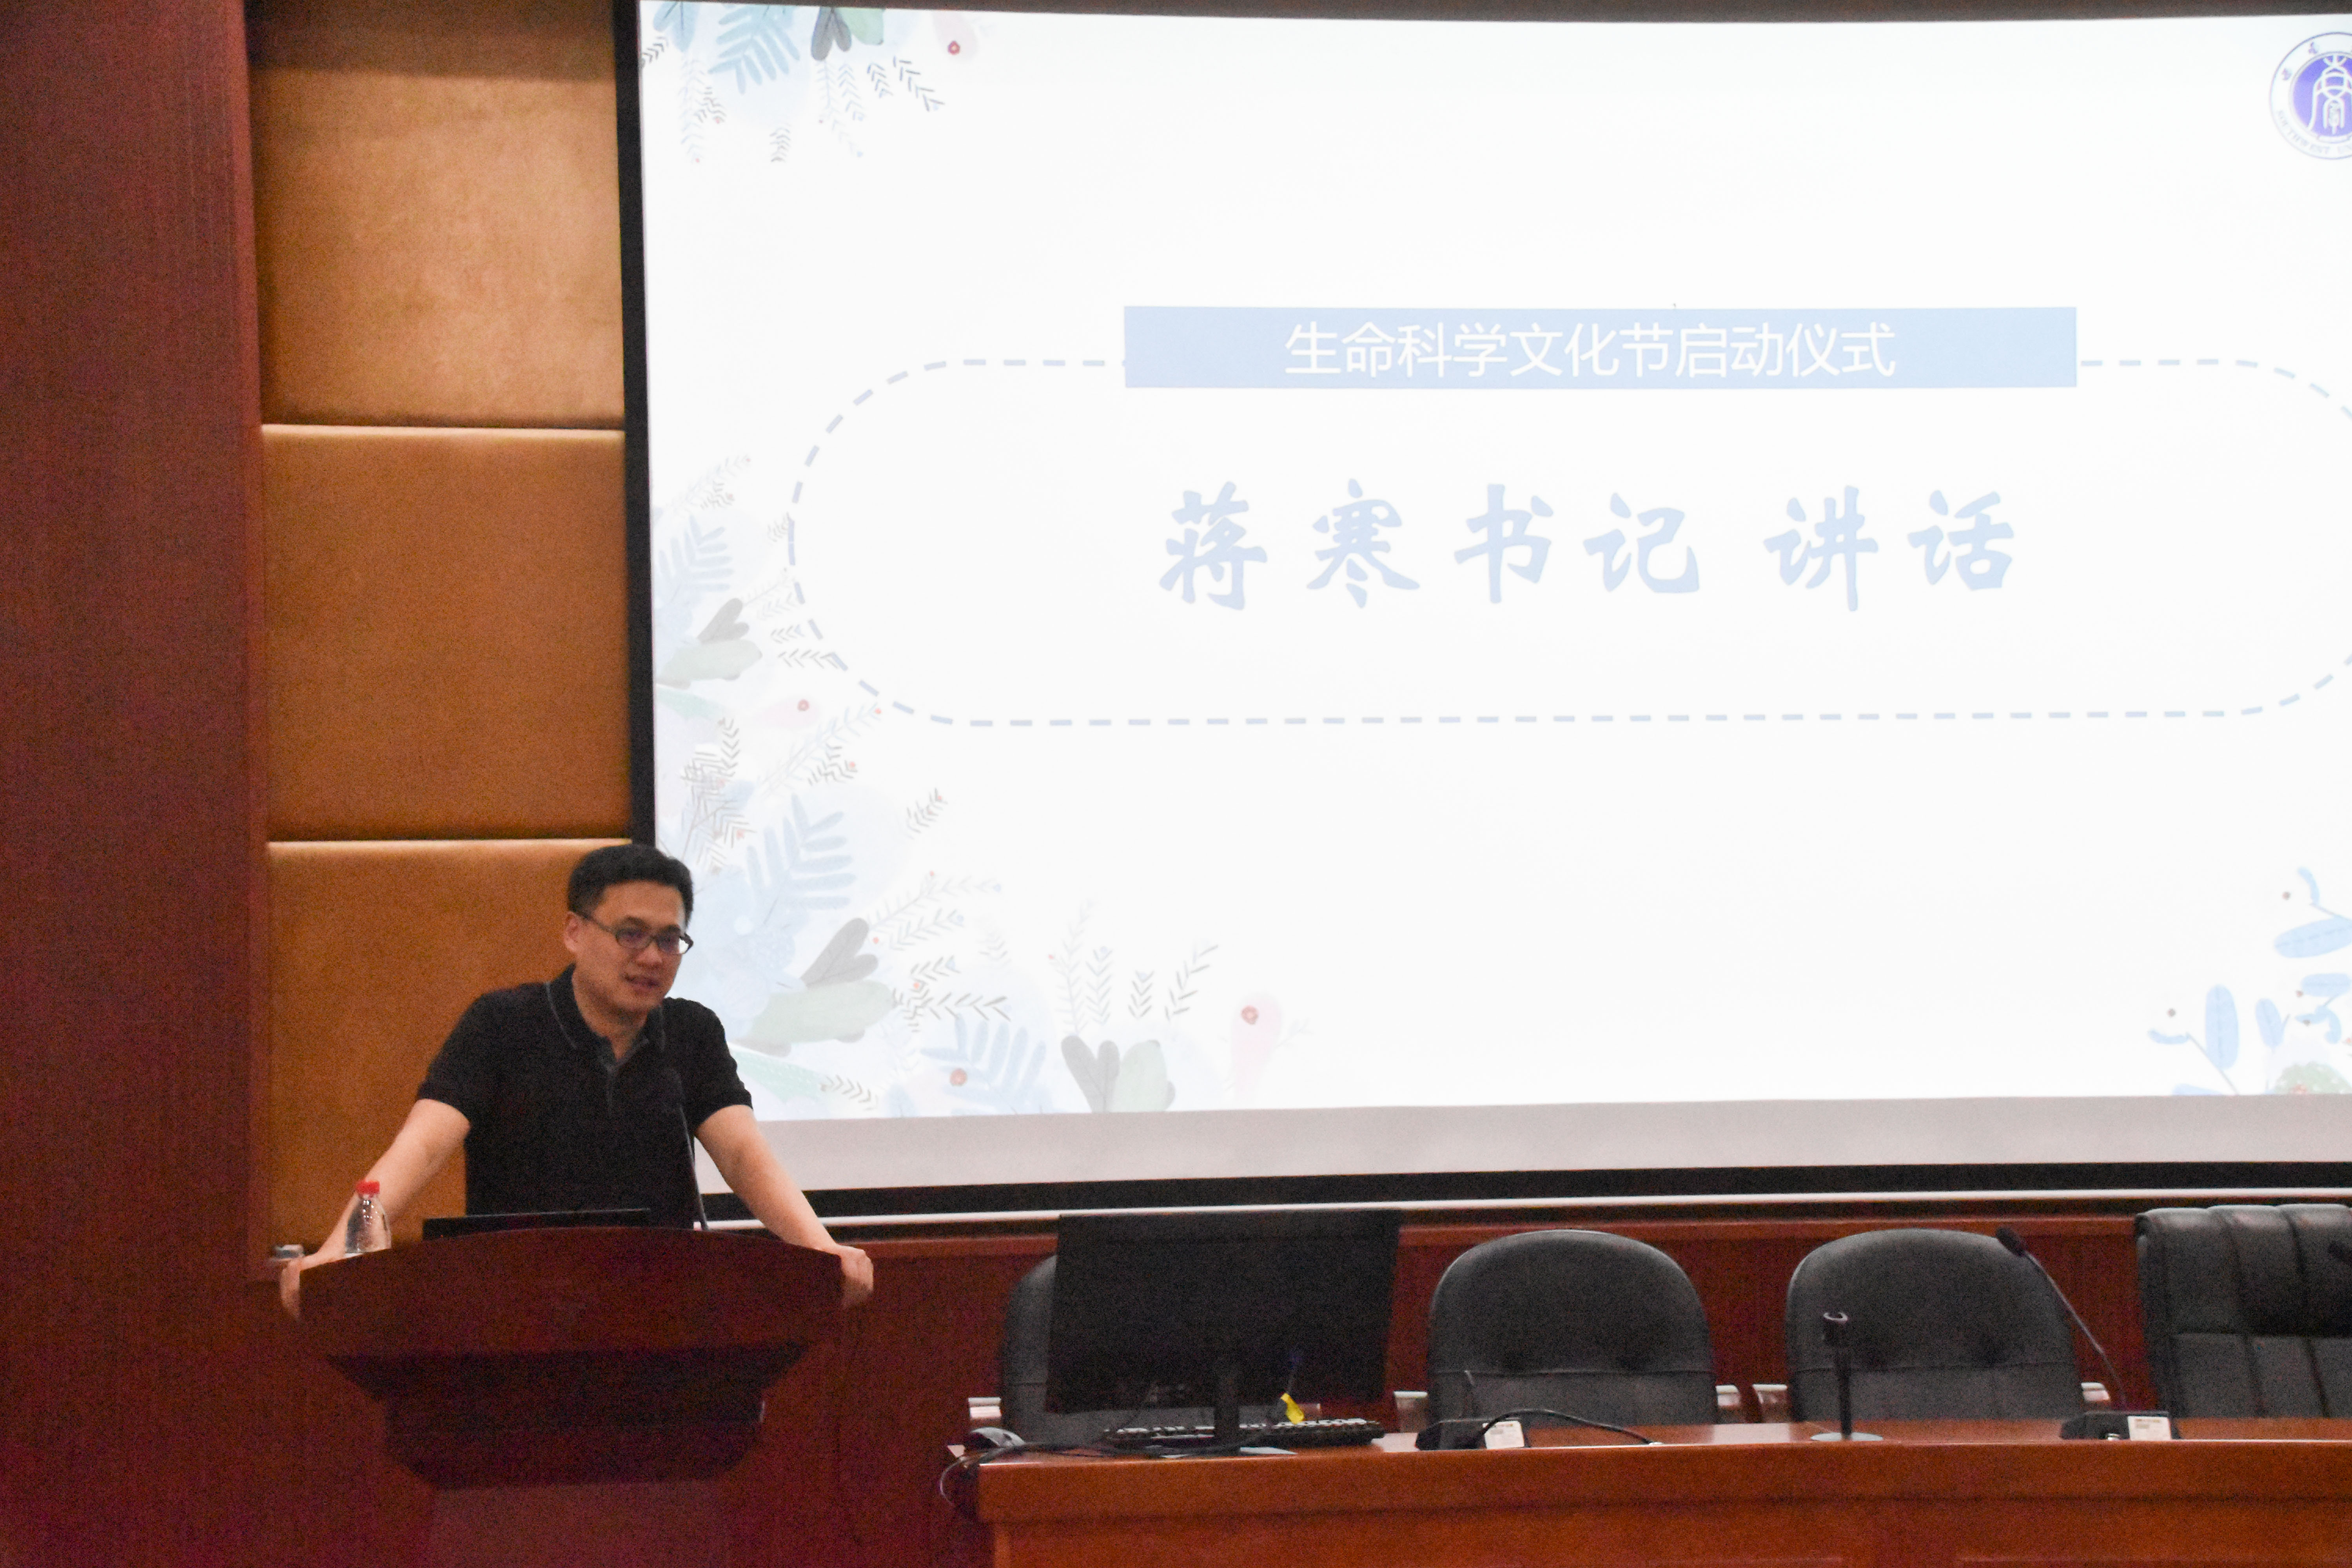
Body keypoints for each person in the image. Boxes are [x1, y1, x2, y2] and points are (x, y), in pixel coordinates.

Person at [279, 844, 873, 1313]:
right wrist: (338, 1252)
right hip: (513, 1313)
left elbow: (743, 1154)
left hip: (662, 1314)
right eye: (631, 934)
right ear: (575, 932)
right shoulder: (502, 1024)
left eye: (670, 939)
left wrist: (820, 1250)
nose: (652, 957)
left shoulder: (691, 1034)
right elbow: (423, 1145)